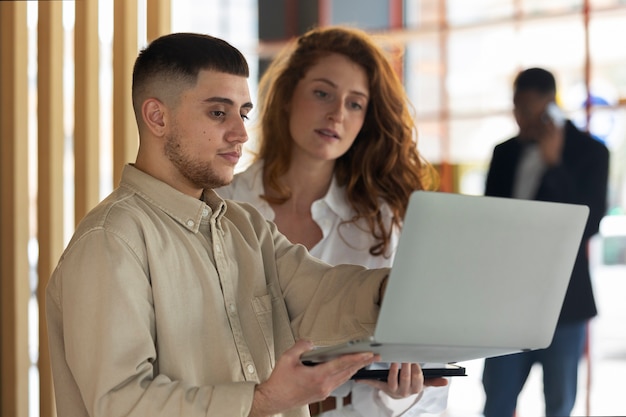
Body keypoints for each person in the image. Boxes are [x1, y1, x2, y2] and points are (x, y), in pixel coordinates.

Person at [45, 32, 447, 417]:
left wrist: (391, 290)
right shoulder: (111, 241)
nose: (240, 133)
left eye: (243, 113)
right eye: (218, 113)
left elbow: (318, 293)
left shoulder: (246, 226)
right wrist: (261, 401)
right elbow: (121, 404)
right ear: (156, 117)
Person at [217, 26, 449, 416]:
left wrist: (402, 392)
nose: (337, 113)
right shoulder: (223, 206)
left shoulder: (383, 221)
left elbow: (429, 390)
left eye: (355, 104)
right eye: (323, 93)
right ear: (289, 96)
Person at [481, 67, 609, 417]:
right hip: (507, 300)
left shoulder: (591, 153)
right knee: (497, 400)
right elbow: (490, 221)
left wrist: (554, 165)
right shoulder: (504, 152)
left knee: (559, 403)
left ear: (551, 106)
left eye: (529, 110)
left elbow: (589, 223)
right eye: (516, 108)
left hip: (564, 302)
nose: (521, 118)